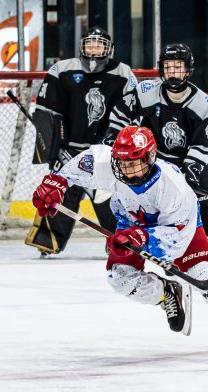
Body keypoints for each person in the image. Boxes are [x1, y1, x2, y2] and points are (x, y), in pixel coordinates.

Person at [31, 125, 208, 356]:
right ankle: (167, 292)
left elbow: (178, 237)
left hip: (179, 230)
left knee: (204, 276)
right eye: (123, 163)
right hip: (130, 223)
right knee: (121, 279)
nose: (128, 170)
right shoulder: (109, 164)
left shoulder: (173, 188)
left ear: (149, 158)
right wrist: (57, 182)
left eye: (134, 163)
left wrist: (144, 238)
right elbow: (84, 162)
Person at [104, 43, 208, 273]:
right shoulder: (146, 92)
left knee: (207, 203)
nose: (173, 73)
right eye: (168, 67)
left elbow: (205, 141)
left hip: (190, 160)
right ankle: (159, 247)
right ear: (161, 69)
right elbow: (123, 111)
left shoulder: (203, 103)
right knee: (154, 205)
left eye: (178, 68)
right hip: (155, 162)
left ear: (188, 70)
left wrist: (192, 167)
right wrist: (114, 134)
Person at [26, 26, 138, 256]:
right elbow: (47, 113)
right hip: (69, 149)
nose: (94, 49)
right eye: (90, 44)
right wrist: (53, 152)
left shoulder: (123, 73)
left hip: (105, 151)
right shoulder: (62, 70)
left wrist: (114, 148)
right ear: (82, 46)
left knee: (109, 196)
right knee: (57, 192)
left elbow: (130, 115)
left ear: (109, 48)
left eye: (99, 44)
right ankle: (46, 242)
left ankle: (120, 242)